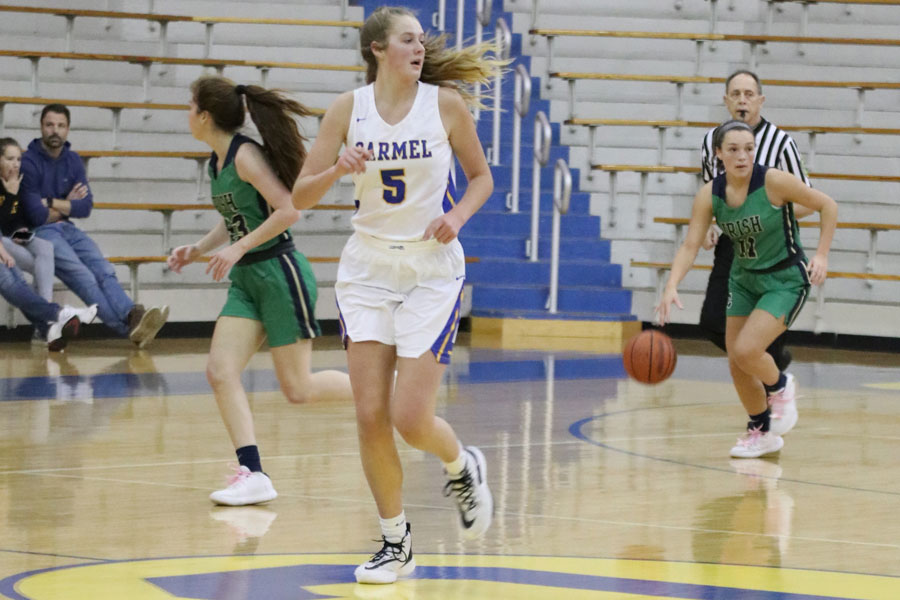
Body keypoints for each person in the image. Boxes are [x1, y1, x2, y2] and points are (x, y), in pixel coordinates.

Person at [291, 6, 504, 585]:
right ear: (377, 49)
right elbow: (300, 197)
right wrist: (336, 168)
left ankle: (462, 466)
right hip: (366, 271)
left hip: (431, 270)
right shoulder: (346, 109)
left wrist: (457, 215)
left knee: (410, 418)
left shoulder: (445, 105)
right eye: (407, 40)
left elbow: (481, 177)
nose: (420, 48)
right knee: (368, 415)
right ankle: (395, 542)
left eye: (421, 40)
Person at [167, 75, 353, 507]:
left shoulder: (245, 155)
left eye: (188, 105)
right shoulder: (217, 162)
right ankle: (253, 473)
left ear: (205, 116)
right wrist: (196, 250)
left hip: (278, 272)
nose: (186, 112)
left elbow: (290, 211)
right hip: (247, 279)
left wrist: (239, 248)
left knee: (298, 389)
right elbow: (235, 217)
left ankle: (384, 391)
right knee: (219, 371)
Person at [657, 120, 837, 459]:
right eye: (734, 150)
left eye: (749, 149)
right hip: (743, 279)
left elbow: (827, 205)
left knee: (747, 349)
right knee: (736, 363)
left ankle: (781, 386)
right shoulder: (709, 194)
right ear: (719, 154)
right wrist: (671, 285)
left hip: (784, 277)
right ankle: (761, 431)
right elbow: (690, 245)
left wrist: (822, 255)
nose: (743, 156)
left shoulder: (773, 180)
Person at [698, 70, 814, 436]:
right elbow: (713, 195)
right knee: (712, 322)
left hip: (771, 244)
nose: (743, 100)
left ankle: (770, 391)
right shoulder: (711, 142)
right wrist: (712, 225)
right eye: (736, 94)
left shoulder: (781, 143)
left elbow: (809, 199)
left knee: (750, 342)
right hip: (733, 244)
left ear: (760, 101)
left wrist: (766, 219)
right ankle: (771, 368)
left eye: (750, 93)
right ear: (726, 101)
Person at [18, 103, 168, 348]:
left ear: (68, 129)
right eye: (49, 125)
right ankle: (127, 327)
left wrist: (52, 203)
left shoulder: (73, 160)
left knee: (103, 268)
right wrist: (68, 204)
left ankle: (132, 315)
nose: (55, 130)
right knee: (83, 276)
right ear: (41, 127)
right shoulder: (28, 162)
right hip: (41, 233)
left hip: (67, 228)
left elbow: (86, 206)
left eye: (61, 125)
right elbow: (35, 216)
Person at [1, 136, 97, 349]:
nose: (16, 164)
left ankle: (48, 321)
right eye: (10, 159)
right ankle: (50, 319)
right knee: (25, 273)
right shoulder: (6, 186)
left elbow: (28, 215)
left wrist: (68, 201)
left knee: (46, 247)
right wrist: (10, 195)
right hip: (3, 237)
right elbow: (3, 220)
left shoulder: (20, 178)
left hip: (17, 234)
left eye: (18, 159)